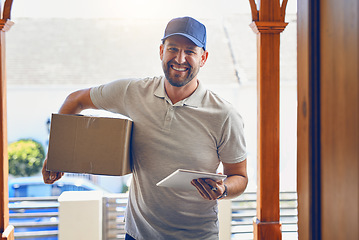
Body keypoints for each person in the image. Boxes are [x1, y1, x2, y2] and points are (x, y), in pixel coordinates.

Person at [42, 16, 248, 240]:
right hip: (138, 234)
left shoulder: (224, 115)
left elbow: (239, 176)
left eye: (190, 51)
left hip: (197, 236)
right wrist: (56, 155)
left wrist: (223, 189)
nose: (180, 58)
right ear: (161, 51)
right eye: (173, 48)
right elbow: (75, 100)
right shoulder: (133, 92)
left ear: (203, 57)